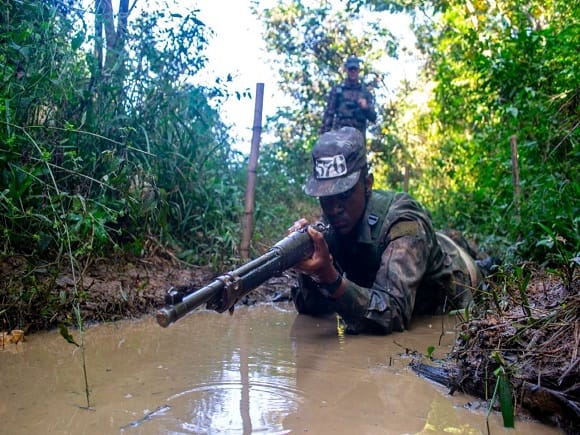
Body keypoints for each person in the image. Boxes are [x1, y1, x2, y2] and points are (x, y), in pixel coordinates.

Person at [289, 126, 483, 335]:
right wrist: (309, 272)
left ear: (368, 184)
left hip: (461, 274)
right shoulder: (331, 225)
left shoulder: (403, 221)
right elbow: (314, 311)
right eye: (326, 197)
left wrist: (329, 278)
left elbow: (392, 313)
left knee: (481, 263)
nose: (334, 208)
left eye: (344, 194)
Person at [320, 56, 377, 139]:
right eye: (350, 69)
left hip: (358, 136)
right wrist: (324, 136)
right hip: (340, 136)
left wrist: (365, 108)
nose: (353, 72)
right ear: (346, 70)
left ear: (358, 71)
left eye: (355, 69)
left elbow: (373, 117)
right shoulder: (338, 90)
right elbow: (329, 114)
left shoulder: (365, 92)